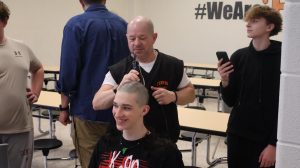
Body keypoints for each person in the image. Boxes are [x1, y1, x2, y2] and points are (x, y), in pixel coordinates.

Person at [93, 16, 195, 143]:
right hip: (127, 141)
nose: (136, 43)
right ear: (126, 38)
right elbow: (97, 103)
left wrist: (173, 96)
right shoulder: (118, 69)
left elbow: (191, 94)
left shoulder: (172, 65)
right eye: (132, 38)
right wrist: (118, 88)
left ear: (154, 37)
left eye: (142, 38)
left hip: (164, 139)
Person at [56, 0, 129, 167]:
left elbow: (68, 72)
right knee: (118, 159)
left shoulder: (75, 25)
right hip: (120, 108)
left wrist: (63, 107)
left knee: (92, 161)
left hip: (87, 110)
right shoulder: (123, 25)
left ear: (80, 1)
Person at [217, 5, 282, 168]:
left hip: (266, 139)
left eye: (254, 21)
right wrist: (225, 81)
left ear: (269, 27)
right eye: (248, 21)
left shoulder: (282, 58)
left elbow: (286, 107)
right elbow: (230, 101)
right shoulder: (239, 56)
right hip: (237, 134)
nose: (248, 24)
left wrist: (274, 144)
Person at [89, 81, 184, 168]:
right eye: (115, 105)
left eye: (126, 108)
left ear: (144, 110)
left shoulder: (165, 152)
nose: (117, 114)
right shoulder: (105, 143)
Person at [0, 1, 44, 167]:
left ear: (4, 21)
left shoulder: (21, 48)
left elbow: (38, 68)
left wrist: (36, 92)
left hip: (19, 128)